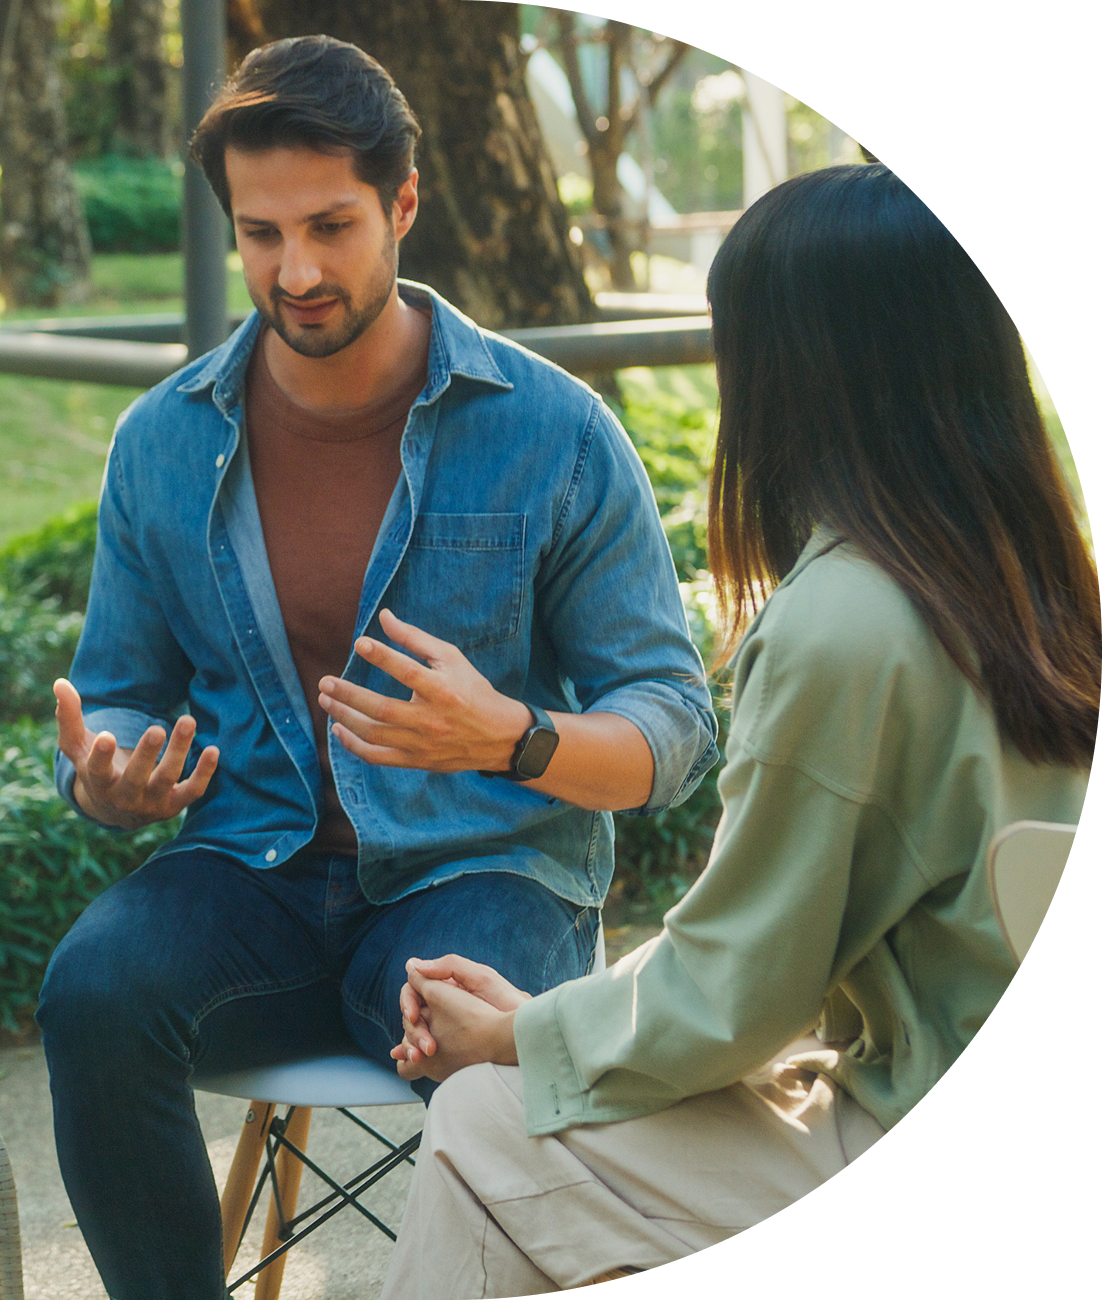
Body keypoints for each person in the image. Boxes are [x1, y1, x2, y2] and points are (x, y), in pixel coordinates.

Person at [35, 36, 719, 1298]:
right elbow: (117, 691)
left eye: (330, 227)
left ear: (403, 203)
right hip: (250, 872)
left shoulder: (553, 430)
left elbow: (674, 726)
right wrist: (108, 776)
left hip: (483, 869)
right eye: (260, 234)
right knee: (92, 993)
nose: (294, 272)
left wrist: (511, 737)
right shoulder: (162, 441)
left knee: (492, 1051)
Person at [376, 162, 1102, 1297]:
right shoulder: (1054, 571)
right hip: (1062, 1128)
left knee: (483, 1122)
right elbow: (758, 953)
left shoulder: (844, 626)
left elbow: (738, 997)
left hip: (960, 1158)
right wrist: (555, 1020)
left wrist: (519, 1039)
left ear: (789, 373)